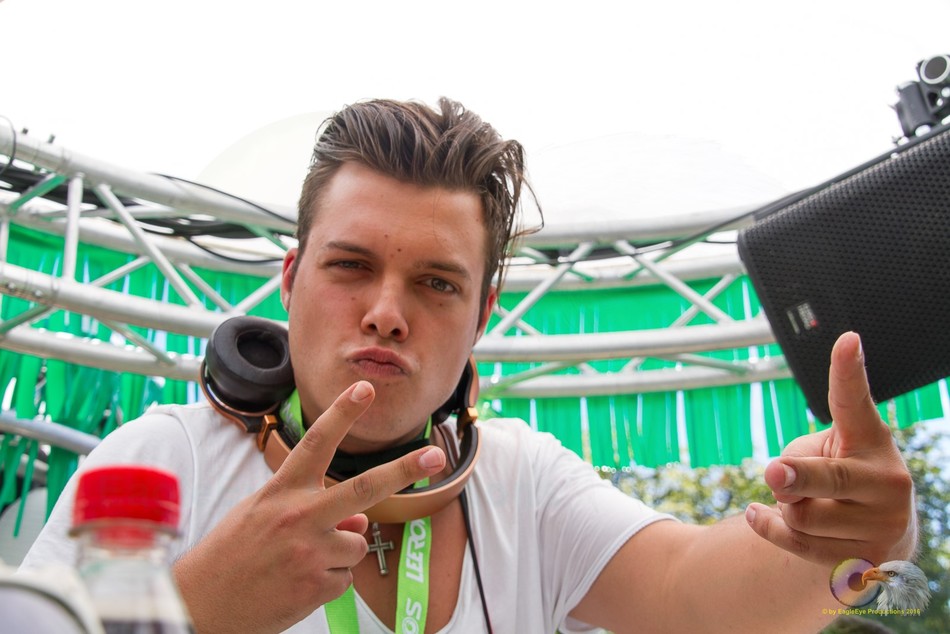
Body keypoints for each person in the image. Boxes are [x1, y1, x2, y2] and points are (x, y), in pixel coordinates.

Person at [21, 97, 916, 633]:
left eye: (437, 283)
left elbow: (702, 597)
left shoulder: (526, 483)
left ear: (483, 315)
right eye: (350, 266)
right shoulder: (159, 462)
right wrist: (194, 611)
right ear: (288, 282)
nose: (386, 310)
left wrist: (863, 542)